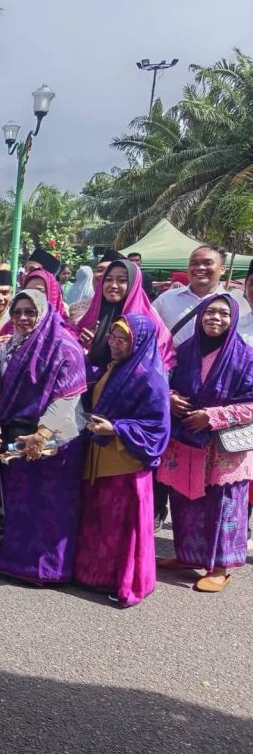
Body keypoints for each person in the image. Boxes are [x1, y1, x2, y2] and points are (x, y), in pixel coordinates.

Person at [0, 289, 88, 585]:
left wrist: (42, 434)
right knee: (20, 504)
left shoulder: (65, 347)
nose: (22, 318)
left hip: (54, 440)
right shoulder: (11, 347)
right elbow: (0, 390)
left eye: (30, 311)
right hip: (16, 436)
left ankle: (50, 569)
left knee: (50, 506)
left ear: (44, 312)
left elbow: (68, 396)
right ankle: (16, 562)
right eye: (17, 312)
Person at [156, 295, 253, 593]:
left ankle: (221, 567)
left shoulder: (245, 357)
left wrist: (212, 416)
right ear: (199, 316)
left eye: (223, 313)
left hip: (222, 447)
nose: (215, 318)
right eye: (209, 312)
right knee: (185, 502)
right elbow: (161, 378)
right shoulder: (185, 351)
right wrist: (169, 397)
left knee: (222, 505)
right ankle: (187, 556)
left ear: (233, 319)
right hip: (185, 442)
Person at [150, 245, 247, 528]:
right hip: (171, 398)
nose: (200, 268)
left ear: (222, 269)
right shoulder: (167, 300)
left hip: (217, 410)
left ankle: (212, 554)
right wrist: (163, 394)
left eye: (208, 263)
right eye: (195, 262)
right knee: (169, 470)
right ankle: (162, 521)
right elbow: (150, 350)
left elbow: (239, 357)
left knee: (213, 488)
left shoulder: (235, 303)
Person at [76, 314, 170, 606]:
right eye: (112, 338)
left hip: (125, 463)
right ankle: (94, 575)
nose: (115, 344)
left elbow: (157, 428)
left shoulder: (149, 377)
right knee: (101, 521)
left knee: (121, 528)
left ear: (139, 341)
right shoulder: (116, 368)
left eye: (123, 339)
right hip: (103, 457)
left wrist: (116, 428)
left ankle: (121, 579)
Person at [73, 259, 174, 379]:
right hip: (92, 389)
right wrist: (83, 346)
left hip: (130, 390)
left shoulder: (148, 319)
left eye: (122, 280)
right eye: (108, 279)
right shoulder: (93, 314)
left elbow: (161, 360)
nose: (113, 285)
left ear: (133, 284)